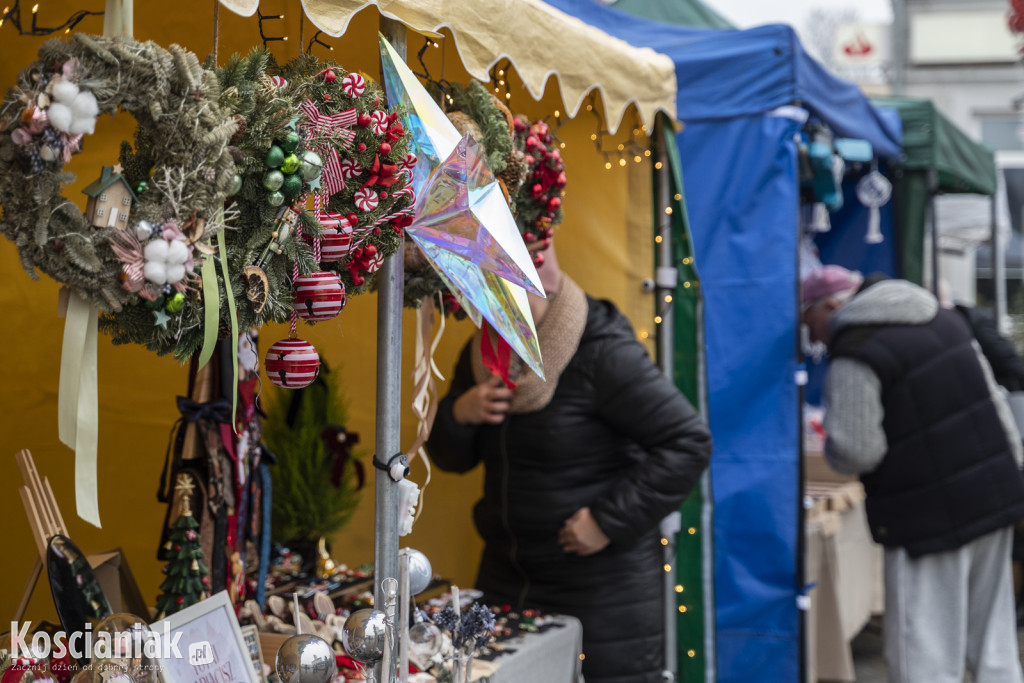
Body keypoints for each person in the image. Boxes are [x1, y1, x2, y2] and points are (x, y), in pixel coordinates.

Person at [426, 241, 712, 683]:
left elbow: (688, 443)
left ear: (539, 281)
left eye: (502, 295)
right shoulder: (484, 355)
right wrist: (459, 414)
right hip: (506, 576)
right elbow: (450, 460)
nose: (491, 314)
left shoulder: (602, 350)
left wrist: (606, 520)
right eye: (482, 299)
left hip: (600, 592)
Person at [803, 264, 1024, 682]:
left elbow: (856, 450)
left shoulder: (856, 348)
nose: (812, 336)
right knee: (994, 644)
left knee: (924, 650)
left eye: (808, 320)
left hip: (925, 517)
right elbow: (996, 405)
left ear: (831, 305)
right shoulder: (945, 321)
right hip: (994, 495)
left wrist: (830, 447)